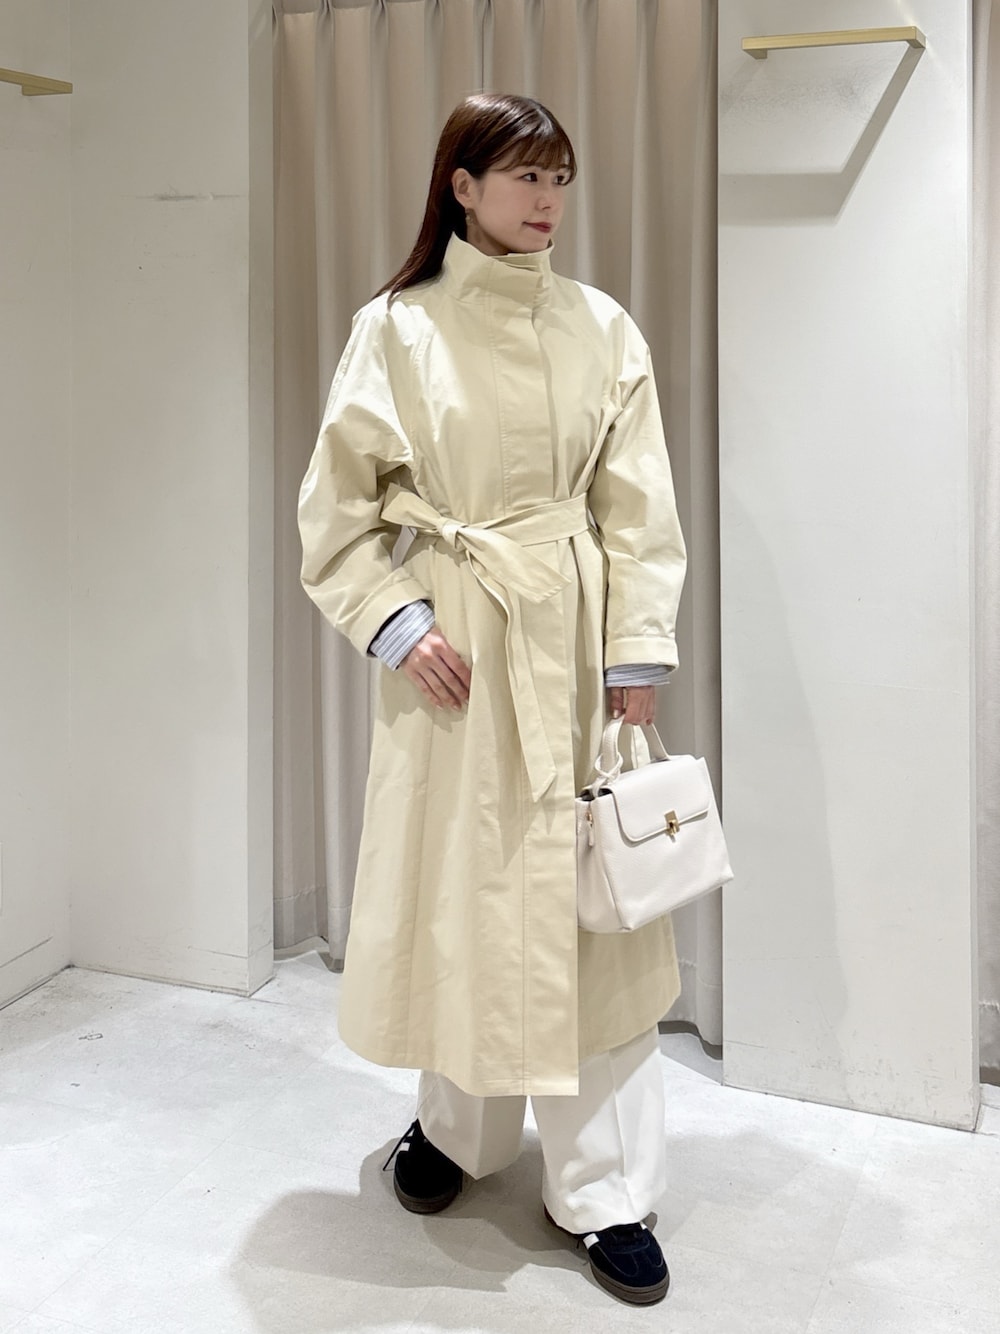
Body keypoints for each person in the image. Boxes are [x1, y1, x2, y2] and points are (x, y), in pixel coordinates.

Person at [298, 92, 686, 1307]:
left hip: (570, 637)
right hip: (457, 644)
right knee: (462, 889)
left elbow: (638, 505)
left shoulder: (601, 326)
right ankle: (458, 1131)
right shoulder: (395, 328)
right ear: (460, 185)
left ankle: (605, 1185)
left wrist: (635, 648)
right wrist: (397, 619)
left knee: (588, 905)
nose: (546, 199)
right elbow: (337, 509)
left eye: (559, 177)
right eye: (523, 175)